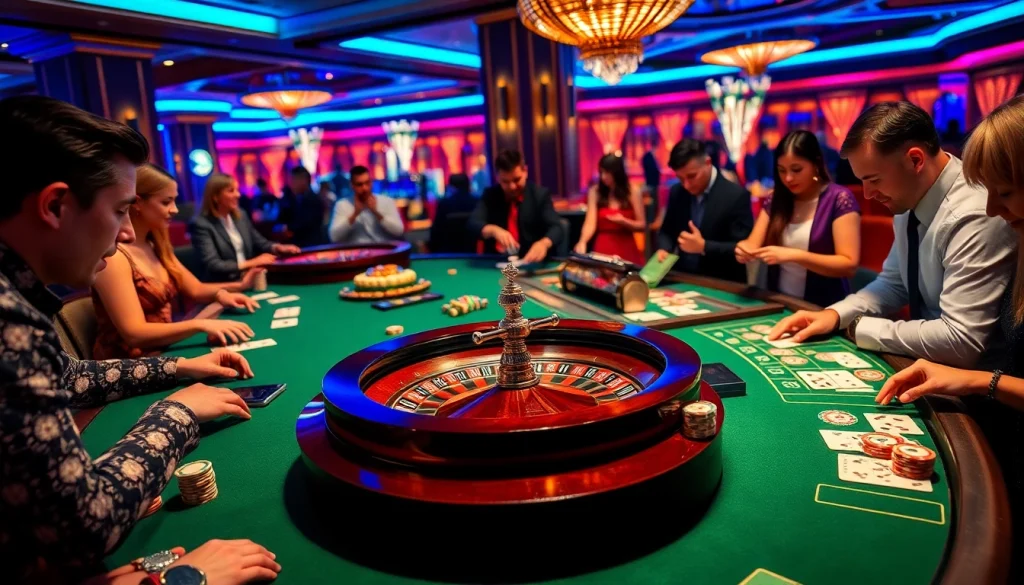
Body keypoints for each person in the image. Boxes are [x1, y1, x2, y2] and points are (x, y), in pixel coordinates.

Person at [0, 95, 280, 584]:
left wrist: (181, 368)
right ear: (55, 205)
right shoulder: (8, 321)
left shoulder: (15, 294)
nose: (127, 234)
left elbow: (70, 378)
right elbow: (84, 525)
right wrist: (179, 413)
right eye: (120, 211)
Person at [768, 101, 1017, 368]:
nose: (867, 194)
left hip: (978, 390)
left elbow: (961, 341)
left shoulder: (975, 213)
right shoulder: (908, 199)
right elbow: (894, 284)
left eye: (874, 180)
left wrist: (859, 328)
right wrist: (835, 315)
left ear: (915, 160)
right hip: (931, 366)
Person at [92, 164, 263, 359]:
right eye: (166, 202)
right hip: (129, 369)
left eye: (174, 201)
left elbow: (196, 289)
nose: (174, 210)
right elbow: (134, 334)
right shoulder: (114, 256)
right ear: (137, 202)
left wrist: (234, 288)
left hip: (165, 353)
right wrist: (201, 323)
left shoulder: (157, 246)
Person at [735, 130, 861, 307]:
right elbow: (751, 244)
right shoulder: (776, 198)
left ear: (816, 164)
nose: (788, 178)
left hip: (824, 308)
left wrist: (794, 255)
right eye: (781, 170)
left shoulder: (839, 199)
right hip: (780, 303)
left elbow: (848, 264)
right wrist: (744, 250)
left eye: (796, 170)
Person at [656, 139, 753, 282]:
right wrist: (664, 249)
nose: (687, 185)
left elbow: (743, 248)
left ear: (708, 163)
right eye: (680, 179)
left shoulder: (736, 196)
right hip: (683, 279)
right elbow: (667, 231)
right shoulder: (677, 191)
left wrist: (703, 246)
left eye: (691, 176)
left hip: (722, 283)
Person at [191, 173, 300, 282]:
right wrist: (252, 263)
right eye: (231, 191)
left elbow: (259, 242)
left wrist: (277, 247)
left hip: (248, 279)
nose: (238, 195)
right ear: (215, 197)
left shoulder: (240, 216)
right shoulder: (202, 224)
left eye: (237, 190)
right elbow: (213, 264)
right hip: (223, 286)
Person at [468, 150, 564, 263]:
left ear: (525, 172)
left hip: (531, 262)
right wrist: (493, 230)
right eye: (505, 182)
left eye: (516, 179)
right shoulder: (490, 195)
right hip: (497, 263)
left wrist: (543, 243)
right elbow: (472, 223)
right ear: (498, 177)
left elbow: (557, 228)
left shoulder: (539, 195)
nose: (512, 186)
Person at [574, 153, 646, 264]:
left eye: (607, 173)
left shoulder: (633, 191)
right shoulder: (595, 191)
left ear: (617, 172)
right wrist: (582, 241)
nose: (603, 177)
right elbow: (590, 223)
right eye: (601, 172)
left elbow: (642, 225)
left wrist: (624, 222)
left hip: (626, 246)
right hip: (603, 246)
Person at [328, 165, 405, 245]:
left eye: (367, 183)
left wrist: (376, 212)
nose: (365, 188)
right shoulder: (342, 205)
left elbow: (399, 231)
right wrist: (355, 214)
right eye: (359, 185)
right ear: (352, 185)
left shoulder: (387, 202)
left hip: (384, 252)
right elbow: (334, 237)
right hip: (357, 255)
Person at [286, 166, 326, 248]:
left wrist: (288, 227)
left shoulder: (313, 199)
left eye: (293, 180)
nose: (291, 184)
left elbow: (306, 224)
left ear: (303, 181)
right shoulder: (296, 198)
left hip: (312, 247)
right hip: (303, 246)